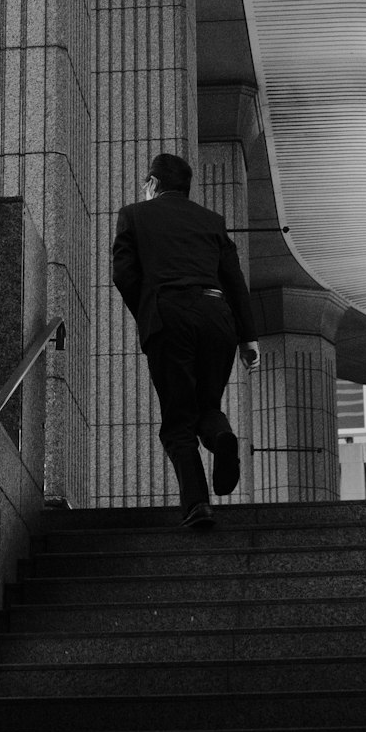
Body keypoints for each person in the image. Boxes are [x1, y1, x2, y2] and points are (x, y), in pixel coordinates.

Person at [112, 152, 260, 527]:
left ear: (152, 183)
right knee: (207, 404)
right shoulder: (212, 222)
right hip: (217, 316)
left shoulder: (133, 215)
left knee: (178, 420)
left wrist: (151, 313)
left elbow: (124, 275)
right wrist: (248, 338)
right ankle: (222, 437)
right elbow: (234, 282)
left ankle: (196, 504)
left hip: (169, 317)